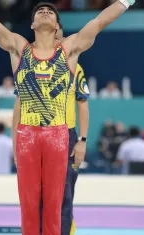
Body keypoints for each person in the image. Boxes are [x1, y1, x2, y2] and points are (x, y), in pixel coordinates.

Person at [0, 0, 135, 233]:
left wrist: (126, 2)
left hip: (58, 135)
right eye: (40, 11)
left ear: (57, 27)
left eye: (50, 12)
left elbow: (99, 22)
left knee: (54, 206)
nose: (45, 12)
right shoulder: (18, 47)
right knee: (28, 205)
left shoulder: (69, 49)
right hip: (27, 135)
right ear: (32, 24)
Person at [37, 23, 89, 235]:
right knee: (38, 196)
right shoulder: (33, 64)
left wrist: (82, 141)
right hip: (37, 135)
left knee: (64, 197)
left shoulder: (74, 67)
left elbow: (83, 104)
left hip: (66, 135)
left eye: (57, 37)